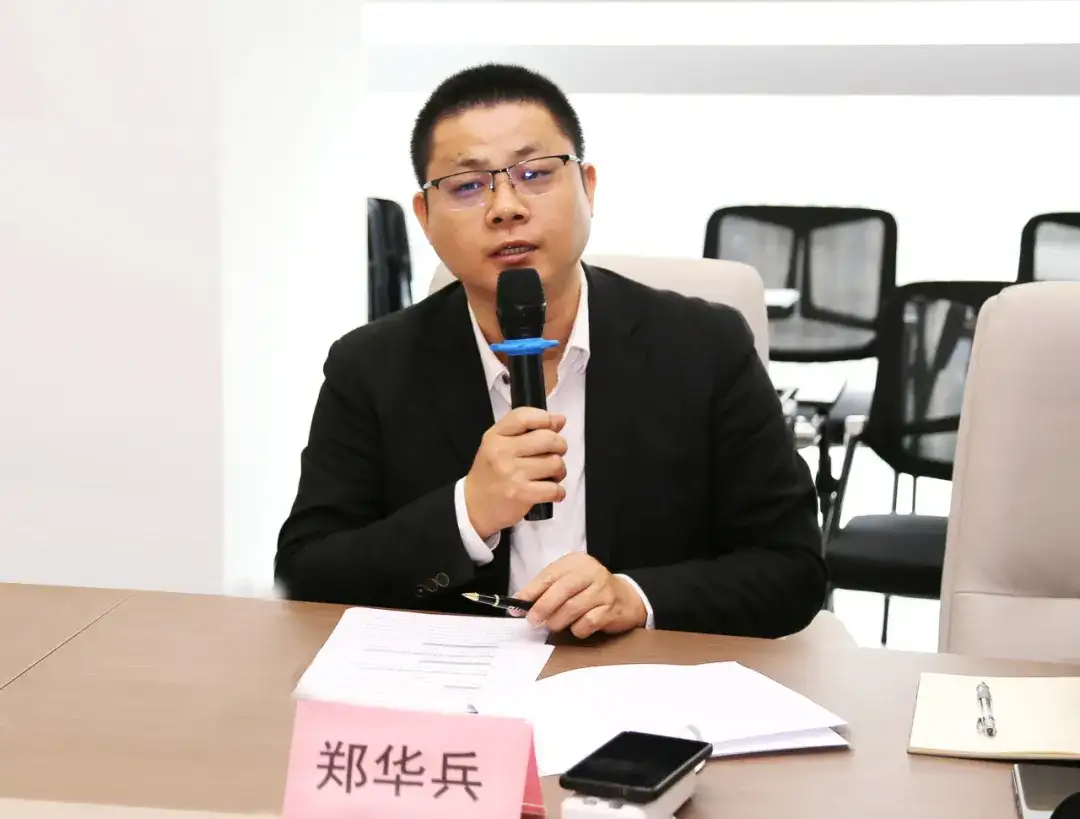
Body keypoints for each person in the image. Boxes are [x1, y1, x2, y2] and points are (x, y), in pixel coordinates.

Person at [275, 63, 826, 638]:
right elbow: (307, 572)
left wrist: (635, 598)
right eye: (467, 186)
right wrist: (467, 512)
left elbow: (791, 568)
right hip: (456, 676)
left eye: (535, 173)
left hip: (640, 672)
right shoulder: (369, 366)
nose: (506, 207)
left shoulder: (705, 346)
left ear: (588, 187)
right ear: (425, 218)